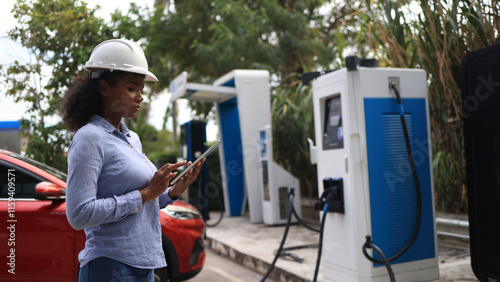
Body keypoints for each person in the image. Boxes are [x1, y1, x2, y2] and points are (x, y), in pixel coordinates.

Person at [62, 38, 204, 282]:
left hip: (144, 265)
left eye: (141, 89)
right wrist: (146, 193)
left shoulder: (131, 138)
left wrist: (170, 191)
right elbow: (79, 214)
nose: (140, 97)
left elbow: (143, 201)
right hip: (110, 266)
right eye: (131, 88)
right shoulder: (89, 138)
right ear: (104, 88)